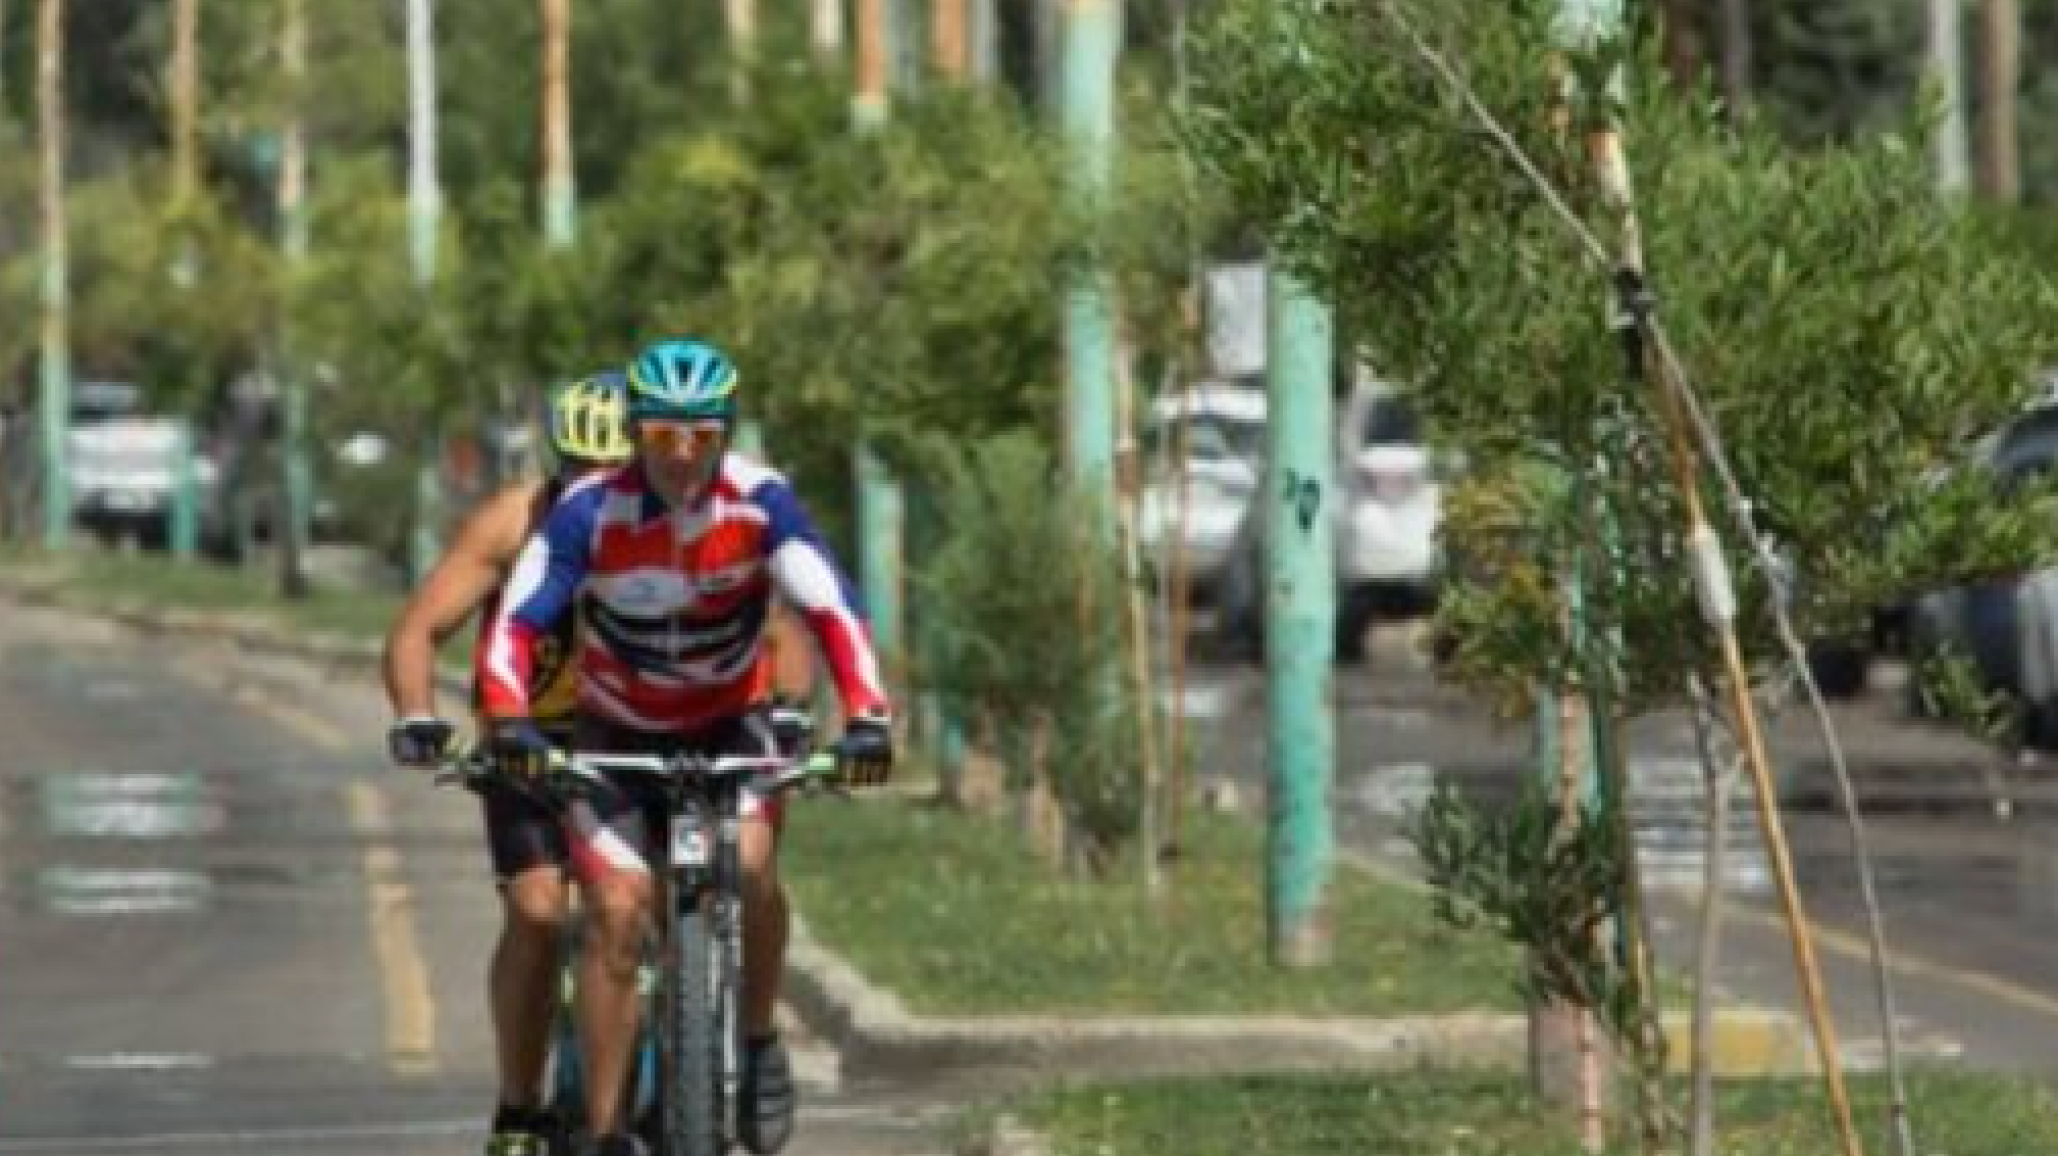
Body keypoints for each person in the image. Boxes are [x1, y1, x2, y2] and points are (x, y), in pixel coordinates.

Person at [478, 337, 894, 1156]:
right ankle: (604, 1132)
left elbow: (833, 609)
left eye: (701, 435)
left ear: (725, 433)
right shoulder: (587, 512)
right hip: (615, 733)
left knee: (748, 866)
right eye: (663, 434)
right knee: (616, 913)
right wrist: (514, 722)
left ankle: (761, 1039)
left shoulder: (762, 502)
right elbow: (516, 625)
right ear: (636, 433)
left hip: (731, 723)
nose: (682, 454)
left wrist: (869, 715)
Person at [381, 371, 634, 1156]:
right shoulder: (512, 521)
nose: (593, 491)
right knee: (537, 914)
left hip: (634, 739)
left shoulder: (679, 525)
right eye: (576, 472)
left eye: (613, 474)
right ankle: (520, 1106)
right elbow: (417, 630)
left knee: (632, 904)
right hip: (532, 743)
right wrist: (419, 717)